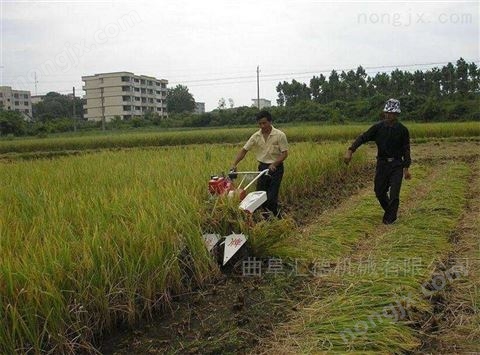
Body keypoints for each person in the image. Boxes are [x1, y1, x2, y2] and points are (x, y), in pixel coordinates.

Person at [344, 98, 412, 224]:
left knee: (394, 194)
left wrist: (406, 168)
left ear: (397, 114)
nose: (389, 115)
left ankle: (389, 220)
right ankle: (390, 212)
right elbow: (363, 137)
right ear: (384, 113)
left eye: (392, 113)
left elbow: (406, 149)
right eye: (387, 112)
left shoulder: (403, 130)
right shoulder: (378, 128)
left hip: (397, 164)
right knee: (379, 191)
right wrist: (350, 150)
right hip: (382, 164)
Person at [231, 110, 289, 217]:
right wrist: (234, 165)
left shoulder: (279, 135)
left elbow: (285, 154)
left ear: (270, 122)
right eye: (260, 123)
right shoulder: (255, 136)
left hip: (276, 169)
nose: (262, 126)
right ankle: (266, 218)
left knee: (271, 198)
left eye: (264, 123)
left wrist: (274, 164)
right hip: (262, 168)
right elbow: (244, 150)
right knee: (259, 197)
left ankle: (278, 218)